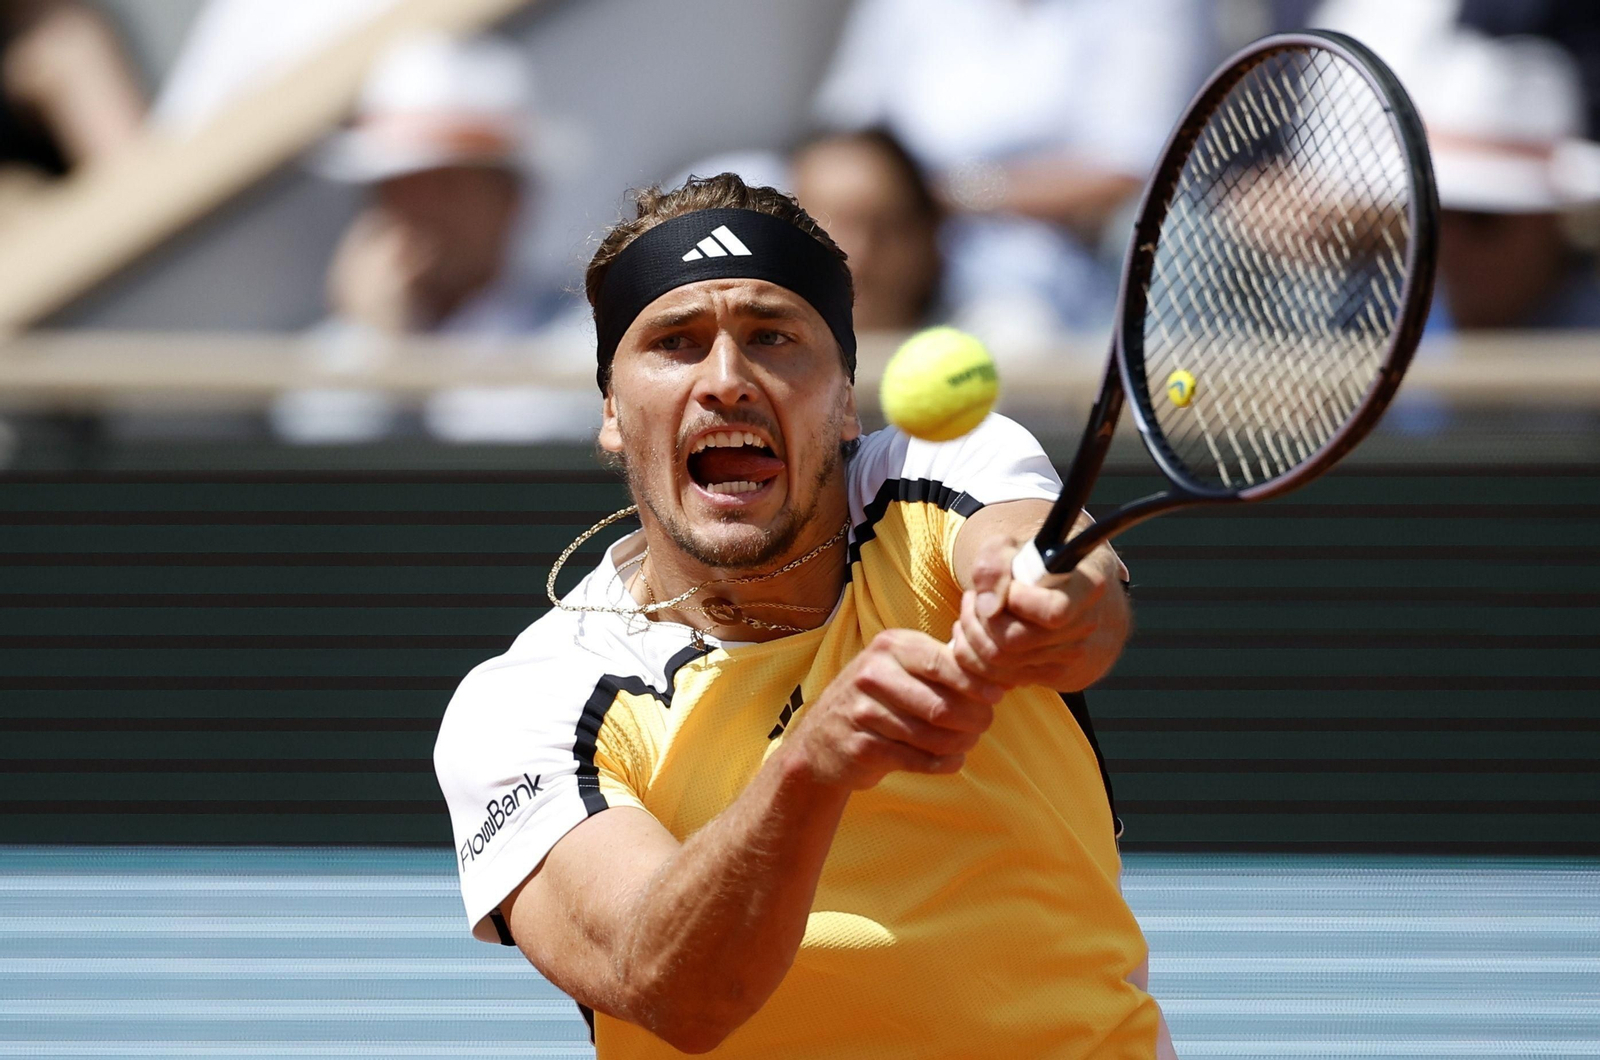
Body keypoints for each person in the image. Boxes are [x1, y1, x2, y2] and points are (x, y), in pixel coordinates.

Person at [434, 173, 1179, 1058]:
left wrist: (1038, 602)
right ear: (610, 412)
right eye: (675, 342)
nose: (726, 380)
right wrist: (812, 767)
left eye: (772, 337)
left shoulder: (941, 470)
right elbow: (670, 987)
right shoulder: (527, 705)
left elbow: (1064, 584)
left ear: (845, 402)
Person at [813, 0, 1213, 342]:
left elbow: (1126, 168)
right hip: (900, 241)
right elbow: (844, 127)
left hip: (1036, 275)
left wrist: (946, 196)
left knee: (1014, 332)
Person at [270, 32, 595, 444]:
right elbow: (315, 450)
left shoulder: (583, 335)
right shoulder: (336, 353)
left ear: (511, 199)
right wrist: (377, 344)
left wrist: (394, 362)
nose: (418, 210)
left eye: (445, 185)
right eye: (396, 185)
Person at [789, 127, 943, 332]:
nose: (859, 253)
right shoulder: (740, 356)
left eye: (885, 227)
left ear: (926, 239)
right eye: (830, 228)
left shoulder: (992, 341)